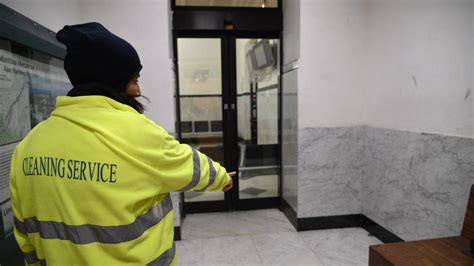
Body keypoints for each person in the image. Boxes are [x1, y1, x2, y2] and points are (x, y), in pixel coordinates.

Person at [9, 22, 234, 266]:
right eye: (134, 80)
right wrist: (223, 178)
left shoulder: (27, 147)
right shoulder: (136, 132)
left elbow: (25, 236)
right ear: (113, 81)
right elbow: (188, 164)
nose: (138, 90)